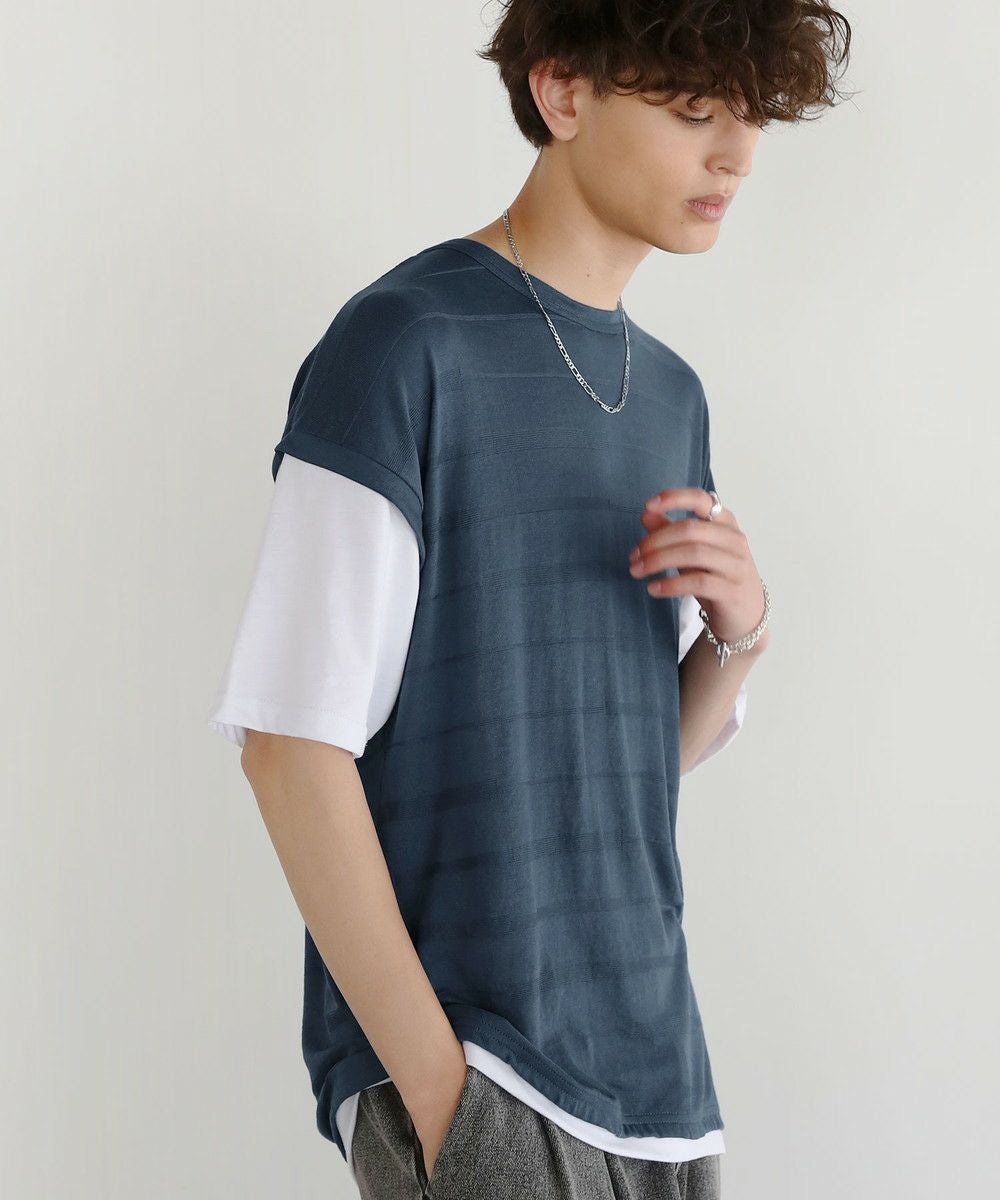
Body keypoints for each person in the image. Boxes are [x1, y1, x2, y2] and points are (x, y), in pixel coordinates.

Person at [208, 3, 851, 1196]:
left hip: (659, 1082)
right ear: (562, 94)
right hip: (485, 1063)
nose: (736, 156)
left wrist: (741, 633)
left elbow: (621, 765)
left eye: (751, 116)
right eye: (692, 110)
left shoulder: (671, 397)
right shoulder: (405, 346)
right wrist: (444, 1098)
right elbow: (290, 746)